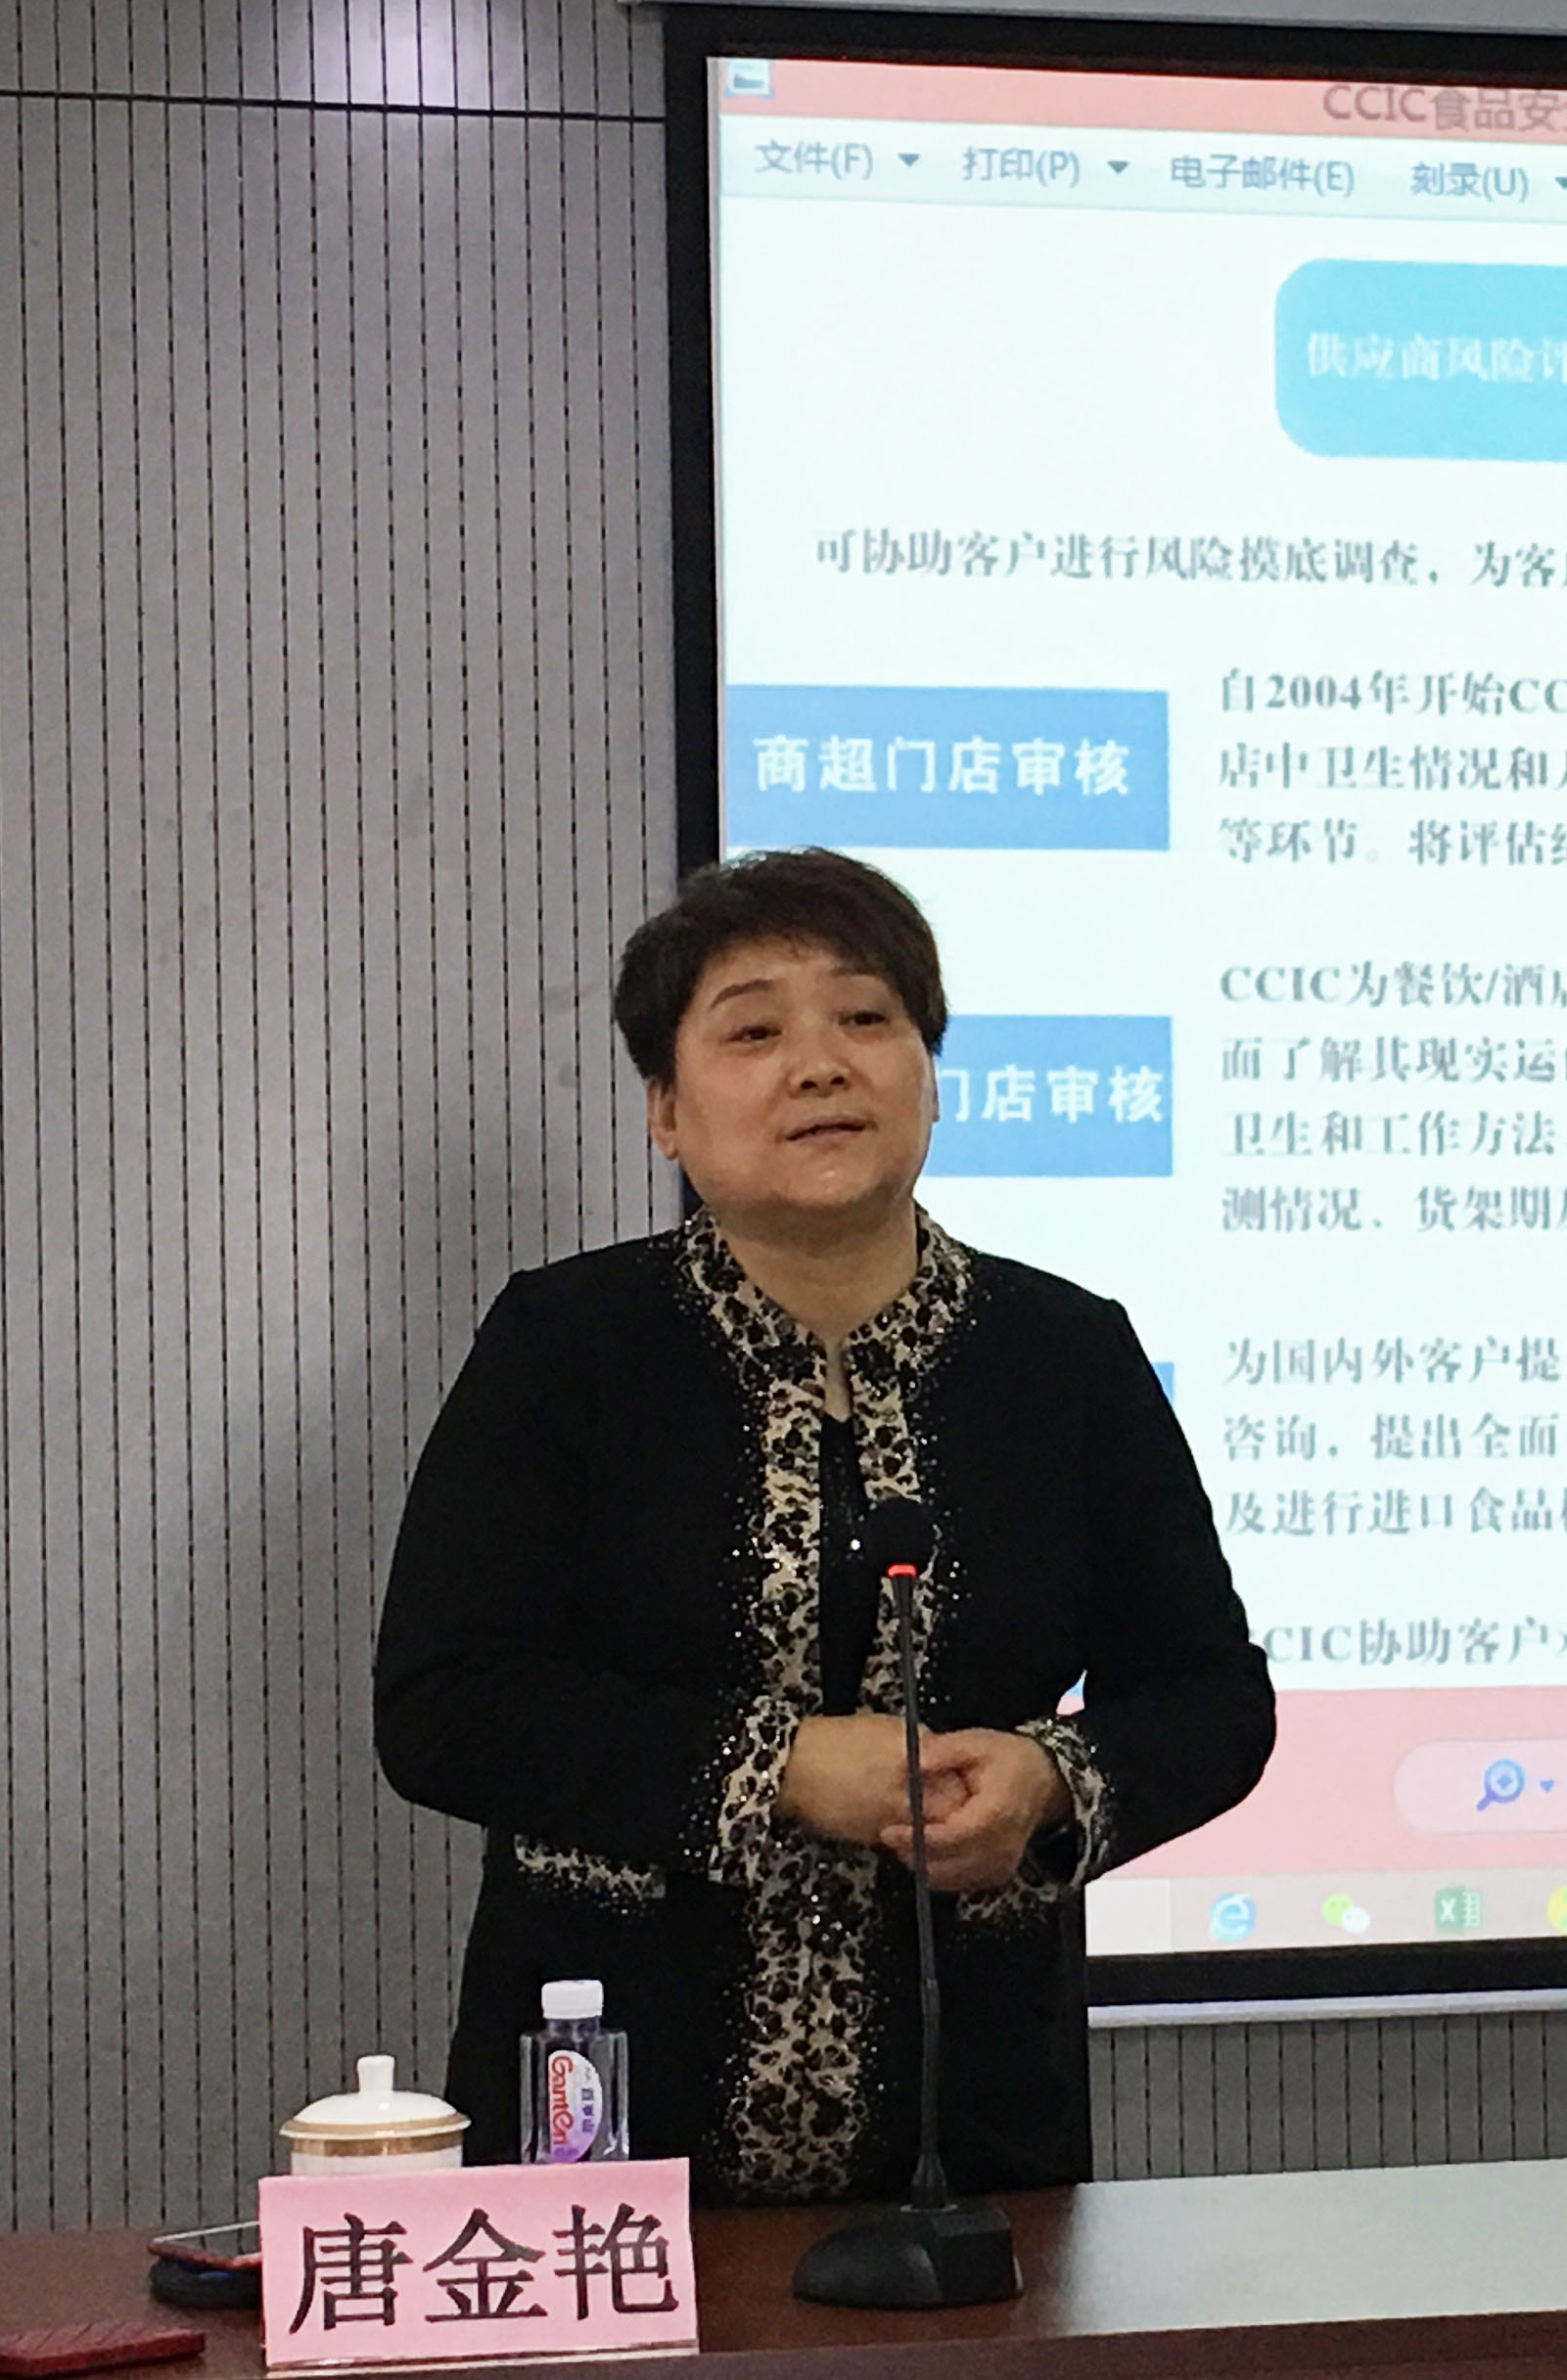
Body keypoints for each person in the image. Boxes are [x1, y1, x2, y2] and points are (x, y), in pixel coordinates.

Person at [375, 850, 1272, 2201]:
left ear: (930, 1074)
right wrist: (782, 1767)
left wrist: (1047, 1786)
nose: (820, 1065)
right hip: (610, 2113)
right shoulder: (569, 1348)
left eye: (866, 1017)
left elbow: (1210, 1700)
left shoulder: (1062, 1357)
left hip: (975, 2134)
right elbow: (443, 1705)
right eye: (753, 1032)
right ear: (665, 1110)